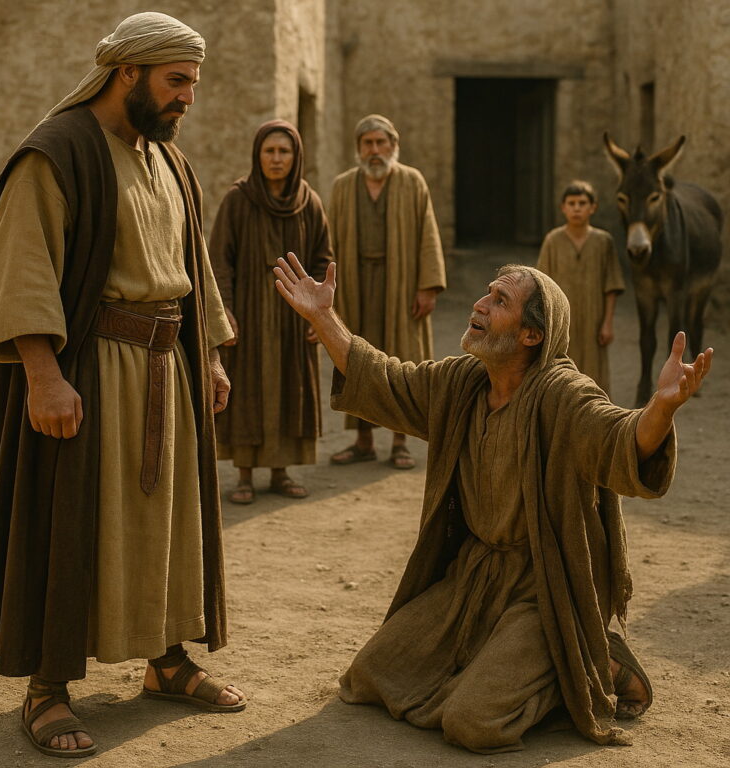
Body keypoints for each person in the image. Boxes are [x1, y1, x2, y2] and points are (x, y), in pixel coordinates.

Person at [273, 252, 712, 753]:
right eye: (487, 292)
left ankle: (587, 658)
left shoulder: (564, 396)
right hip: (475, 575)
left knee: (474, 723)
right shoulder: (461, 383)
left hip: (543, 589)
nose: (479, 304)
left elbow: (620, 438)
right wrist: (323, 316)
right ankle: (520, 655)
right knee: (370, 676)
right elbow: (385, 379)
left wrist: (661, 407)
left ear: (532, 335)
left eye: (500, 300)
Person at [0, 13, 246, 758]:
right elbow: (23, 265)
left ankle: (167, 660)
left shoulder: (167, 159)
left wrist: (209, 356)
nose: (188, 97)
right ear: (128, 73)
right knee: (72, 525)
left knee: (167, 525)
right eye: (176, 81)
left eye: (193, 82)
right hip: (91, 373)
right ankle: (47, 688)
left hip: (167, 369)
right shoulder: (56, 151)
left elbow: (191, 265)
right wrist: (43, 375)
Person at [209, 120, 332, 504]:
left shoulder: (309, 202)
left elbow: (323, 259)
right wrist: (225, 310)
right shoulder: (238, 200)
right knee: (246, 388)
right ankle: (244, 475)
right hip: (247, 312)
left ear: (296, 157)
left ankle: (281, 472)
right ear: (257, 155)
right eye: (270, 151)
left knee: (290, 388)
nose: (277, 159)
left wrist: (321, 315)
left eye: (284, 152)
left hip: (295, 312)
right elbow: (219, 260)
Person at [328, 114, 446, 469]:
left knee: (403, 360)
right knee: (354, 360)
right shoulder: (343, 186)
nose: (375, 150)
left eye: (381, 143)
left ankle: (400, 442)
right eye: (368, 143)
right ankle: (362, 440)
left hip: (401, 285)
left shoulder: (412, 182)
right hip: (356, 285)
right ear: (359, 148)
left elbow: (428, 234)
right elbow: (329, 242)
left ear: (394, 146)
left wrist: (427, 286)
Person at [536, 180, 625, 394]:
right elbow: (541, 285)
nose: (577, 208)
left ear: (592, 207)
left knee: (595, 376)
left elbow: (611, 285)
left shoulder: (603, 241)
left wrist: (607, 323)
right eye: (572, 203)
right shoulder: (553, 241)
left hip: (594, 320)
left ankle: (596, 412)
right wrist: (544, 323)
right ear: (563, 207)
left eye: (582, 203)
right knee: (559, 372)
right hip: (561, 320)